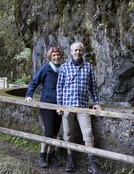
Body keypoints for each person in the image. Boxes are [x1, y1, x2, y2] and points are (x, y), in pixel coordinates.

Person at [57, 42, 102, 174]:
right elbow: (59, 88)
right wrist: (59, 105)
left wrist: (96, 102)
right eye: (75, 50)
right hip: (67, 106)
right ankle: (70, 161)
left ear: (83, 52)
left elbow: (93, 87)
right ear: (71, 52)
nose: (78, 52)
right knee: (67, 134)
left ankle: (91, 163)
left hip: (83, 106)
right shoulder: (64, 67)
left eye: (80, 50)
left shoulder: (88, 67)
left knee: (88, 134)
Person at [25, 47, 62, 168]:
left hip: (60, 105)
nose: (56, 57)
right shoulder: (45, 69)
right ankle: (42, 155)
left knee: (55, 132)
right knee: (49, 131)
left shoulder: (63, 69)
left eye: (57, 55)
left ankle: (51, 156)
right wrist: (29, 95)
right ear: (50, 57)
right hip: (46, 104)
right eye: (54, 56)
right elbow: (34, 82)